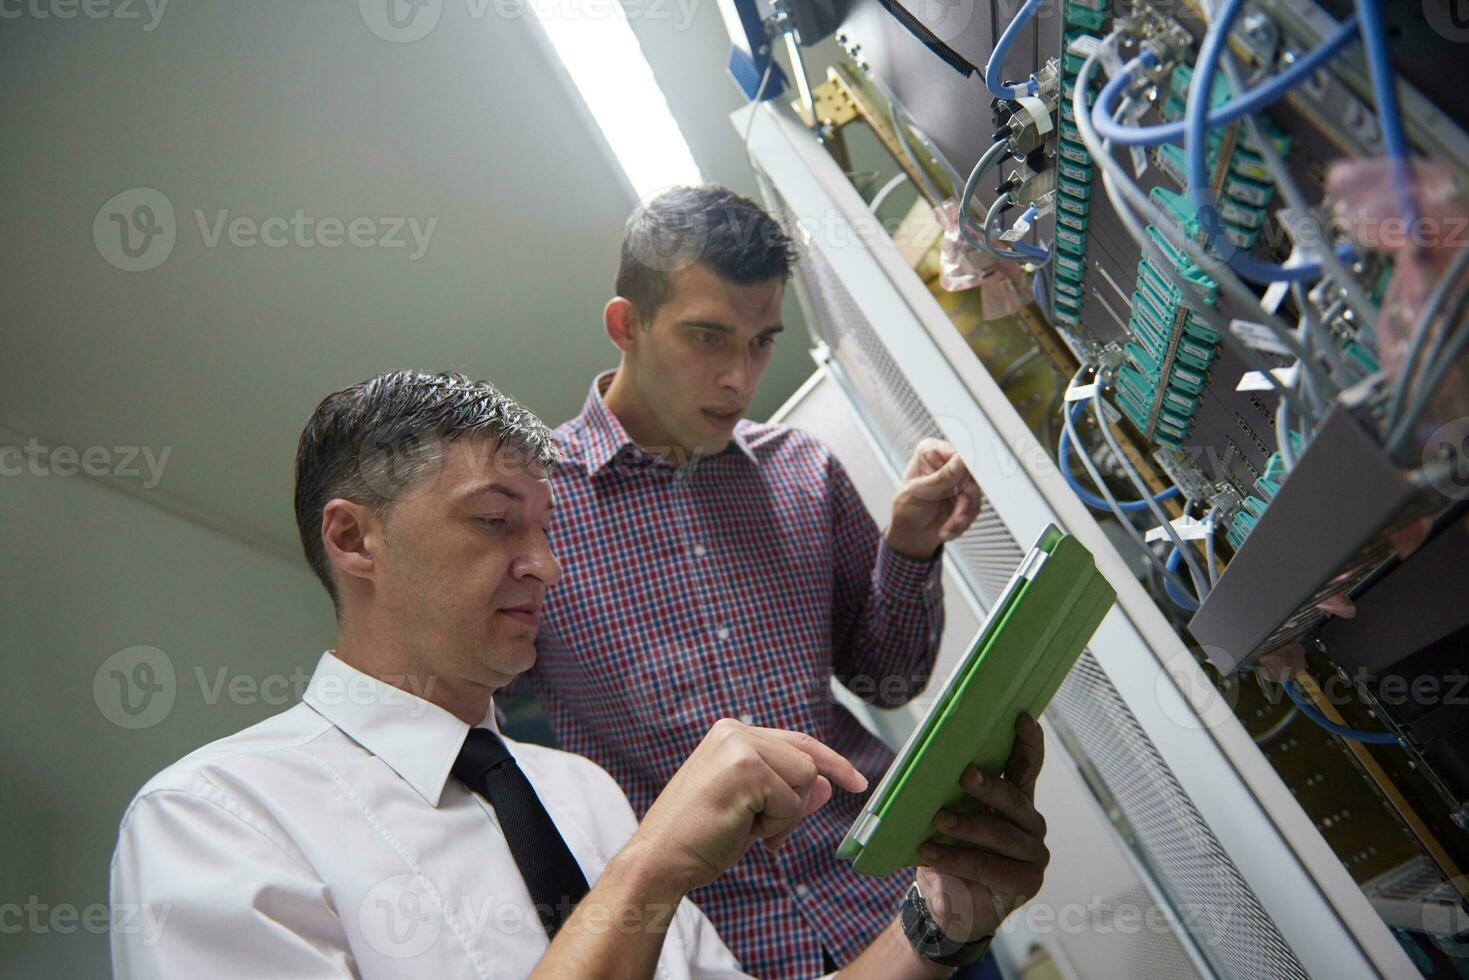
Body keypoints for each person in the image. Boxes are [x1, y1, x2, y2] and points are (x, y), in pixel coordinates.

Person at [109, 371, 1049, 978]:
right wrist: (647, 875)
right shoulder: (215, 819)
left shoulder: (582, 794)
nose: (546, 565)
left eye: (546, 529)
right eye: (493, 522)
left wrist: (942, 918)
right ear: (356, 537)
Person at [514, 185, 985, 977]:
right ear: (625, 325)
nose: (740, 377)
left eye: (762, 341)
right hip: (724, 955)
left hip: (909, 909)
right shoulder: (529, 509)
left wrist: (906, 547)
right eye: (708, 337)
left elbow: (886, 676)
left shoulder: (803, 472)